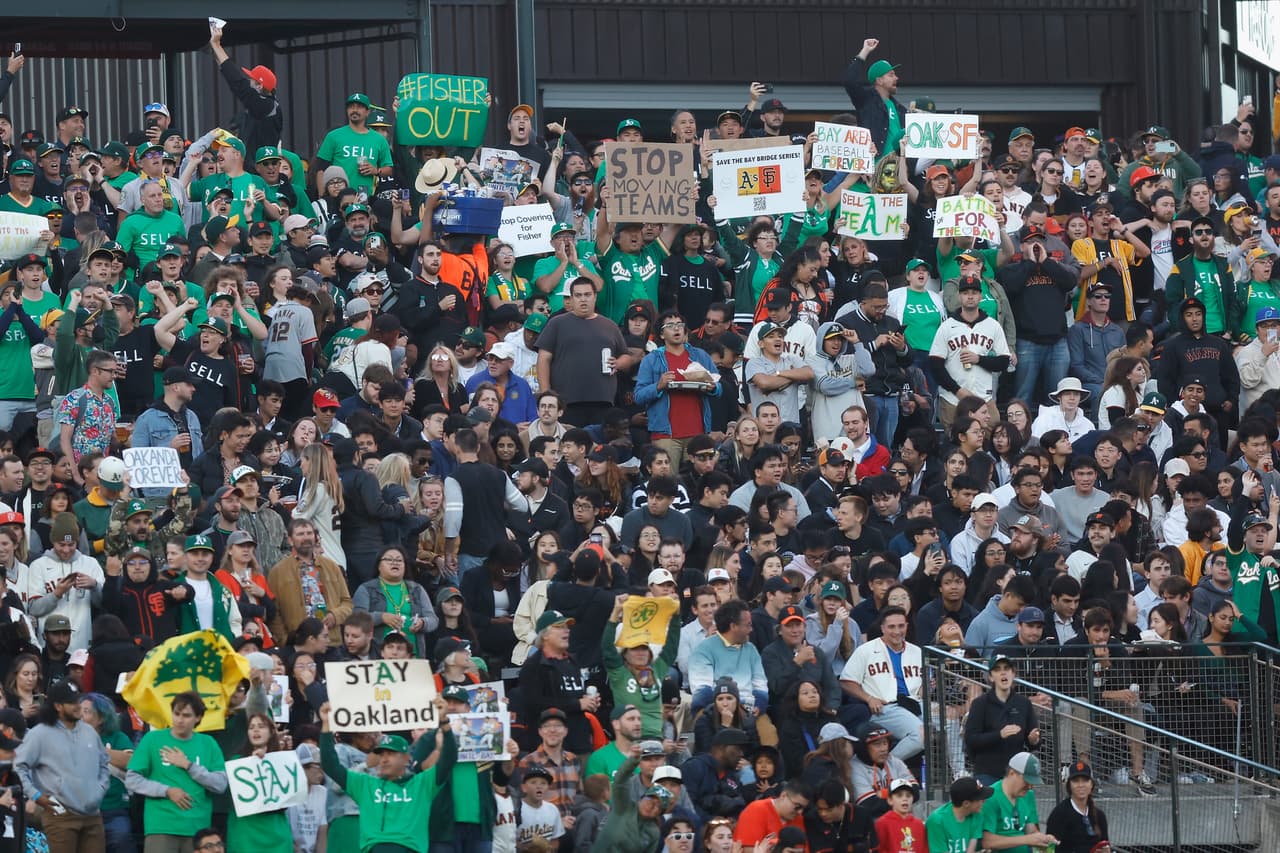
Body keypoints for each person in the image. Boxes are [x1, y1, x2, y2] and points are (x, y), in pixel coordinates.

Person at [319, 697, 456, 853]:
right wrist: (326, 726)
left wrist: (444, 721)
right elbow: (331, 766)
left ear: (406, 759)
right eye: (381, 754)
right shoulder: (365, 784)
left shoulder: (423, 784)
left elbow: (449, 758)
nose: (383, 759)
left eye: (391, 754)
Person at [125, 691, 229, 853]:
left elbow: (221, 785)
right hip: (161, 826)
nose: (180, 720)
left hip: (198, 829)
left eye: (187, 715)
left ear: (198, 718)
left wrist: (189, 766)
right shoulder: (153, 739)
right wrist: (166, 791)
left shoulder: (208, 743)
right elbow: (132, 779)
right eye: (176, 714)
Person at [14, 679, 109, 852]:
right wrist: (35, 795)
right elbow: (19, 766)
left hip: (93, 815)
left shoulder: (89, 732)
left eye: (78, 700)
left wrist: (100, 790)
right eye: (72, 702)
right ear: (58, 706)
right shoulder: (39, 734)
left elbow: (104, 764)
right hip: (60, 815)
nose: (78, 705)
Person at [838, 606, 922, 760]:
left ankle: (959, 772)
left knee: (949, 723)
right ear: (882, 628)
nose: (897, 631)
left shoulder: (917, 652)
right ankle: (886, 767)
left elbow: (927, 684)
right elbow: (846, 681)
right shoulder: (866, 650)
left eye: (901, 626)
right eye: (891, 627)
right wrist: (869, 698)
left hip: (916, 703)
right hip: (886, 707)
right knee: (920, 735)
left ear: (907, 626)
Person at [980, 752, 1057, 853]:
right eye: (1026, 781)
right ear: (1012, 773)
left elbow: (1032, 831)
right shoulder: (991, 797)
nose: (1030, 786)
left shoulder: (1028, 795)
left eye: (1032, 782)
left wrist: (1043, 840)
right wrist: (1025, 839)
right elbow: (987, 842)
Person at [1044, 761, 1109, 853]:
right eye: (1076, 781)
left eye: (1085, 780)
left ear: (1091, 785)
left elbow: (1105, 843)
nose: (1080, 785)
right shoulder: (1059, 814)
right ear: (1069, 785)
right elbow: (1049, 849)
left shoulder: (1099, 815)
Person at [924, 776, 993, 853]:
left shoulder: (976, 814)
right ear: (966, 803)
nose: (984, 801)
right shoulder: (937, 821)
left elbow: (970, 850)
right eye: (981, 799)